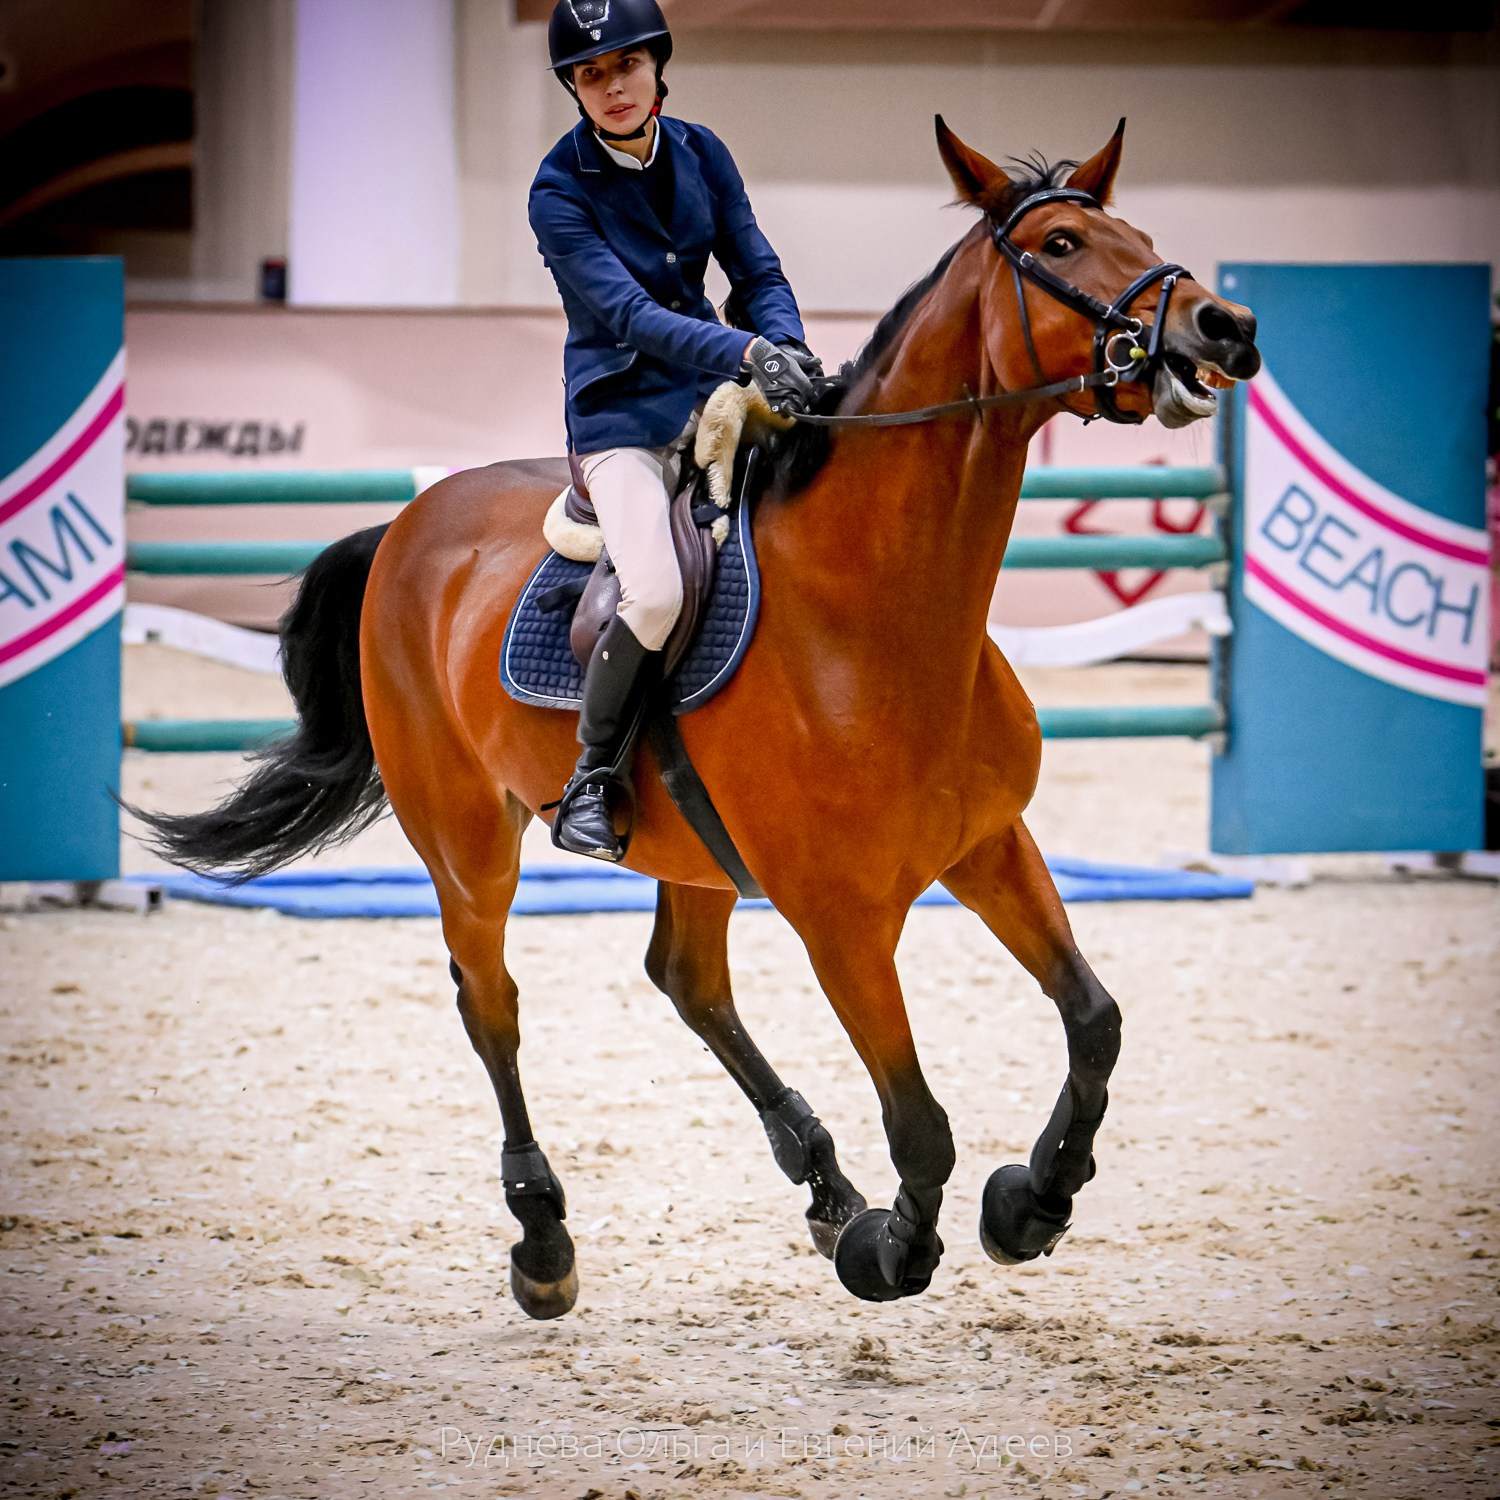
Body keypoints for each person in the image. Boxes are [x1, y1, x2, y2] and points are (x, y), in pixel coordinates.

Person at [530, 0, 820, 861]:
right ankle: (592, 776)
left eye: (625, 65)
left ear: (656, 65)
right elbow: (625, 313)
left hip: (716, 393)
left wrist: (789, 346)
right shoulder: (558, 189)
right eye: (590, 74)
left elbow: (755, 267)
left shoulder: (702, 151)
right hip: (622, 414)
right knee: (653, 590)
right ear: (574, 89)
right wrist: (749, 350)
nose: (612, 86)